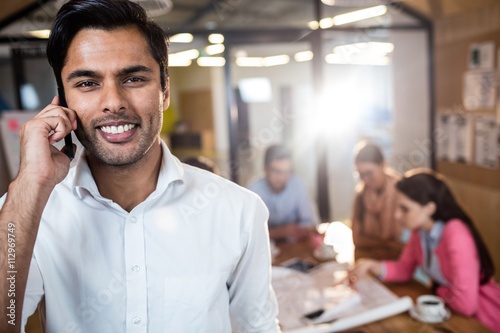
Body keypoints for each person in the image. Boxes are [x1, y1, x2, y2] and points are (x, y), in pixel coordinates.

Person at [0, 1, 280, 332]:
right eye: (88, 83)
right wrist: (31, 183)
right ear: (62, 102)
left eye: (133, 78)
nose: (113, 101)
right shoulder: (26, 213)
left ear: (164, 91)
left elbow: (258, 328)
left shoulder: (238, 210)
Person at [348, 169, 500, 333]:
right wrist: (373, 266)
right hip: (449, 312)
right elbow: (405, 268)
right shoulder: (419, 231)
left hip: (481, 318)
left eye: (404, 209)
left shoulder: (455, 233)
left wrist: (437, 290)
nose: (397, 215)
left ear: (429, 208)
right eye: (396, 208)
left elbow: (466, 304)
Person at [248, 144, 319, 242]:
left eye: (287, 172)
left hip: (295, 247)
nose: (282, 178)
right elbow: (249, 233)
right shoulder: (253, 192)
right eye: (276, 171)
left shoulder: (299, 185)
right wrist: (282, 232)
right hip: (266, 250)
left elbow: (311, 224)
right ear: (265, 169)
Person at [351, 141, 405, 259]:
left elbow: (409, 245)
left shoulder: (402, 193)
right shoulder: (361, 195)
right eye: (360, 175)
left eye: (369, 173)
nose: (365, 180)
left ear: (383, 165)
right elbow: (357, 239)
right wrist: (387, 244)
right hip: (370, 259)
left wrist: (375, 243)